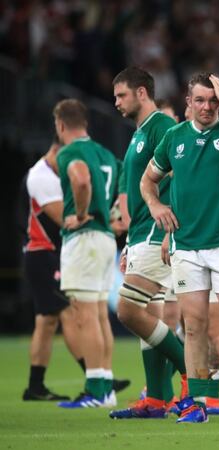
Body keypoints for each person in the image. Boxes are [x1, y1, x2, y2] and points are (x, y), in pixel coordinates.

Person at [141, 72, 219, 423]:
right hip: (186, 245)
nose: (207, 107)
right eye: (200, 100)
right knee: (193, 325)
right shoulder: (173, 138)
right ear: (188, 103)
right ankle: (196, 403)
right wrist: (155, 206)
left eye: (213, 101)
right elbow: (148, 180)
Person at [107, 67, 188, 419]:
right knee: (150, 319)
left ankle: (191, 372)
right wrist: (128, 238)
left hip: (158, 232)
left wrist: (170, 231)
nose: (116, 102)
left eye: (121, 95)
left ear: (142, 92)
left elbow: (183, 178)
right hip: (140, 233)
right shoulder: (140, 132)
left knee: (128, 311)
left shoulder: (162, 128)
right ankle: (157, 397)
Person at [52, 99, 122, 409]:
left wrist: (80, 215)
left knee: (85, 315)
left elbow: (80, 179)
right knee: (97, 314)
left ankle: (95, 389)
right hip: (106, 238)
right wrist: (116, 217)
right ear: (86, 124)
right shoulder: (105, 154)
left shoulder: (69, 152)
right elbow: (125, 190)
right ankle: (106, 387)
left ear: (61, 125)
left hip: (84, 238)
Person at [20, 140, 82, 401]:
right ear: (55, 151)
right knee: (68, 313)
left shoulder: (51, 174)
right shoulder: (40, 176)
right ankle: (97, 377)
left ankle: (35, 386)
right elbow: (62, 218)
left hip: (44, 253)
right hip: (42, 253)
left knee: (46, 321)